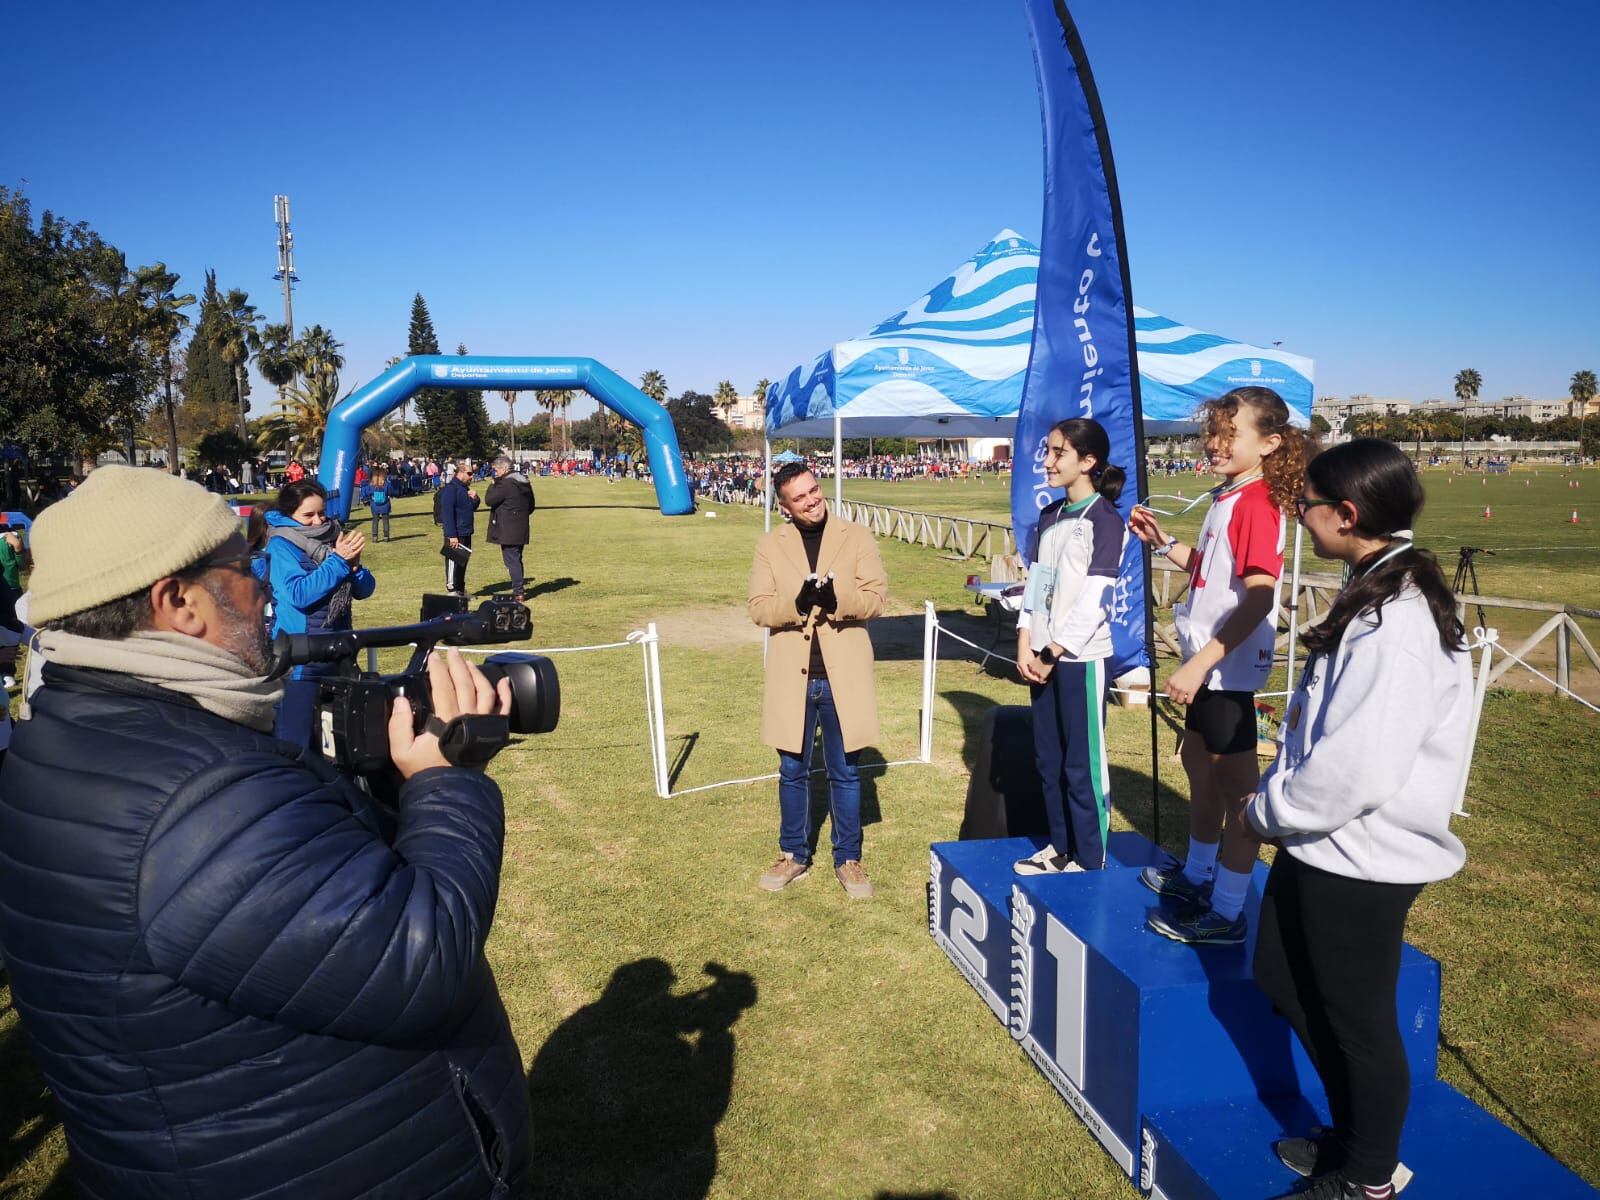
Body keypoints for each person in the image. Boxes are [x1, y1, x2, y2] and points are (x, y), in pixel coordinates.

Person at [0, 465, 531, 1199]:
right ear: (179, 602)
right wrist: (452, 779)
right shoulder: (200, 797)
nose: (261, 584)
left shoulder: (70, 732)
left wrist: (388, 778)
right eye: (245, 563)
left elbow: (294, 911)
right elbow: (422, 956)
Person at [1246, 440, 1470, 1200]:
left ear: (1346, 515)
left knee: (1358, 1020)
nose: (1296, 516)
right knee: (1281, 977)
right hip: (1322, 842)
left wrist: (1264, 810)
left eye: (1304, 504)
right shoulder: (1373, 588)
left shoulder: (1397, 620)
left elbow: (1360, 766)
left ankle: (1370, 1176)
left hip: (1362, 854)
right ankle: (1355, 1138)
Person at [1128, 386, 1307, 944]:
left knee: (1239, 797)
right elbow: (1212, 571)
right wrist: (1164, 543)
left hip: (1226, 673)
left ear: (1270, 443)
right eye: (1213, 432)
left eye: (1230, 435)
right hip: (1209, 668)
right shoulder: (1229, 496)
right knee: (1198, 772)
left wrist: (1202, 662)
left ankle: (1228, 911)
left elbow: (1257, 596)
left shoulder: (1256, 503)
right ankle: (1199, 875)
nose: (1214, 443)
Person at [748, 463, 886, 899]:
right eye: (800, 497)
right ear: (784, 506)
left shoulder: (856, 536)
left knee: (845, 771)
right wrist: (797, 603)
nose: (812, 500)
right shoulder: (770, 545)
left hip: (844, 676)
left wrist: (838, 600)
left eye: (813, 490)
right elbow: (758, 608)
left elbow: (877, 599)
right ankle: (794, 854)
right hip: (794, 677)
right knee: (793, 770)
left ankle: (848, 858)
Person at [1013, 418, 1129, 875]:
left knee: (1083, 765)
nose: (1047, 460)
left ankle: (1089, 857)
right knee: (1050, 762)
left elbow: (1095, 599)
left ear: (1088, 460)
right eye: (1048, 451)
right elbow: (1038, 587)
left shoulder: (1105, 518)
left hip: (1078, 659)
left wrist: (1053, 651)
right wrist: (1026, 642)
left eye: (1058, 452)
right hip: (1040, 658)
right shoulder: (1050, 516)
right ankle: (1059, 848)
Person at [264, 479, 376, 749]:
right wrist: (339, 562)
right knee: (296, 742)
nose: (318, 521)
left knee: (339, 742)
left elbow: (365, 589)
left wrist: (355, 567)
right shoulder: (281, 544)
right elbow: (299, 594)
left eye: (321, 513)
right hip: (301, 660)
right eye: (308, 515)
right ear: (289, 515)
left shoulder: (333, 541)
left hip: (338, 653)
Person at [484, 455, 535, 601]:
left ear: (504, 468)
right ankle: (518, 588)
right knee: (516, 558)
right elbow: (531, 506)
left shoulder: (506, 484)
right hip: (521, 527)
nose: (495, 474)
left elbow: (489, 500)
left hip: (508, 528)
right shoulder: (524, 482)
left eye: (496, 470)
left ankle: (518, 591)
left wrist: (492, 484)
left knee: (511, 560)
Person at [441, 461, 481, 597]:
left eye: (472, 474)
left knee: (463, 561)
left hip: (466, 531)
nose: (471, 476)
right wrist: (451, 535)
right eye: (469, 473)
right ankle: (452, 589)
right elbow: (447, 513)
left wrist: (475, 498)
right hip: (455, 532)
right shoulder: (450, 489)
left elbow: (472, 507)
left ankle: (461, 589)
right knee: (453, 560)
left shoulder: (464, 489)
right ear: (460, 473)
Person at [369, 467, 393, 542]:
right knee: (385, 521)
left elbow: (368, 493)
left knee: (375, 521)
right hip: (385, 505)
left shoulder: (372, 485)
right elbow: (391, 492)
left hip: (375, 505)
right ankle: (386, 536)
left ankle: (374, 537)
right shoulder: (386, 484)